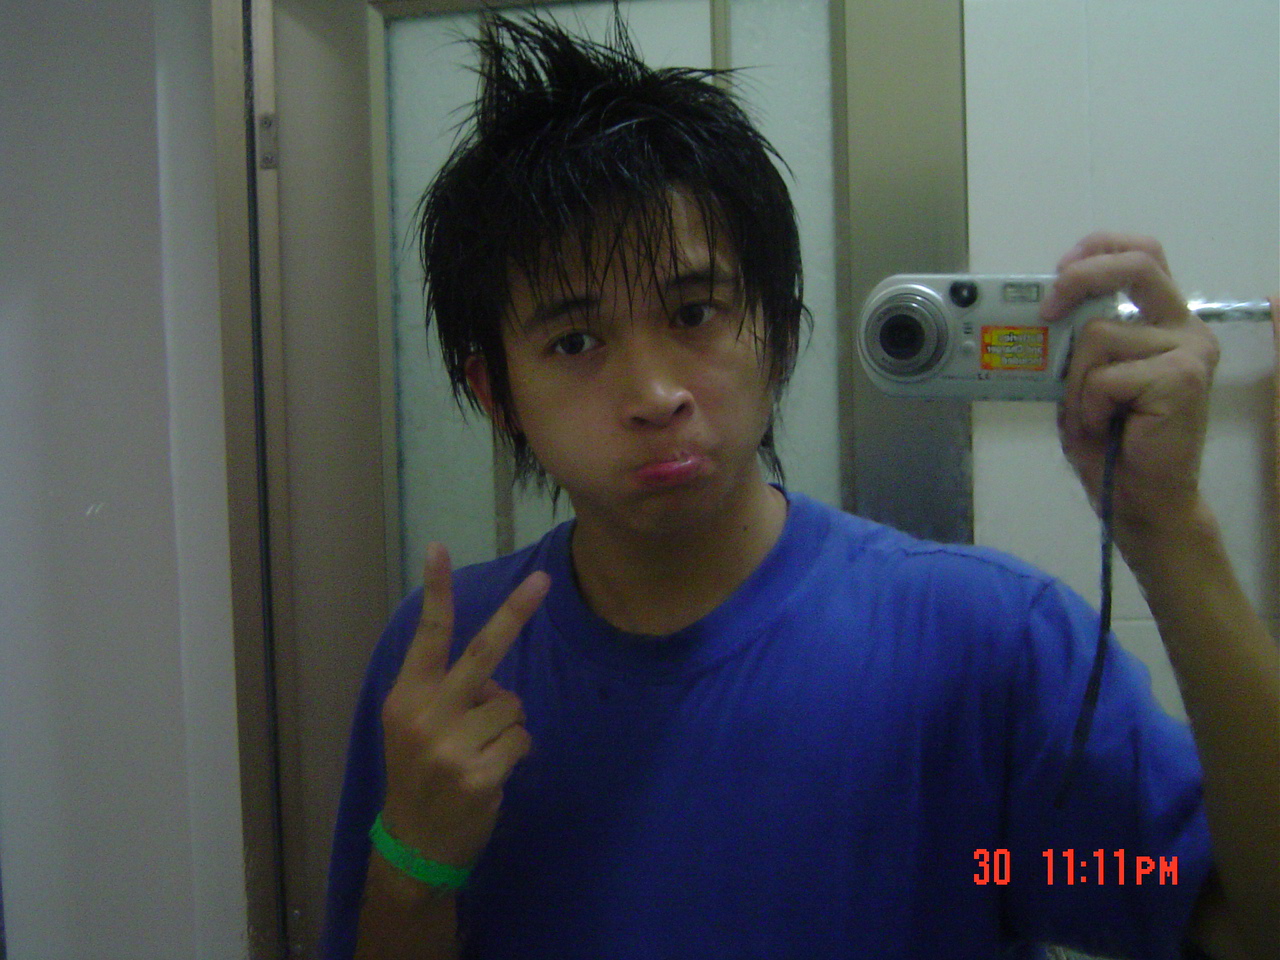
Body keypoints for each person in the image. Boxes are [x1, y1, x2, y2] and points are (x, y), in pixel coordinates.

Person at [323, 12, 1278, 960]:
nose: (654, 395)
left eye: (694, 312)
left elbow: (1241, 922)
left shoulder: (985, 643)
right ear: (496, 393)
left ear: (778, 333)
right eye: (575, 341)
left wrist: (1171, 530)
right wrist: (414, 865)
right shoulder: (447, 671)